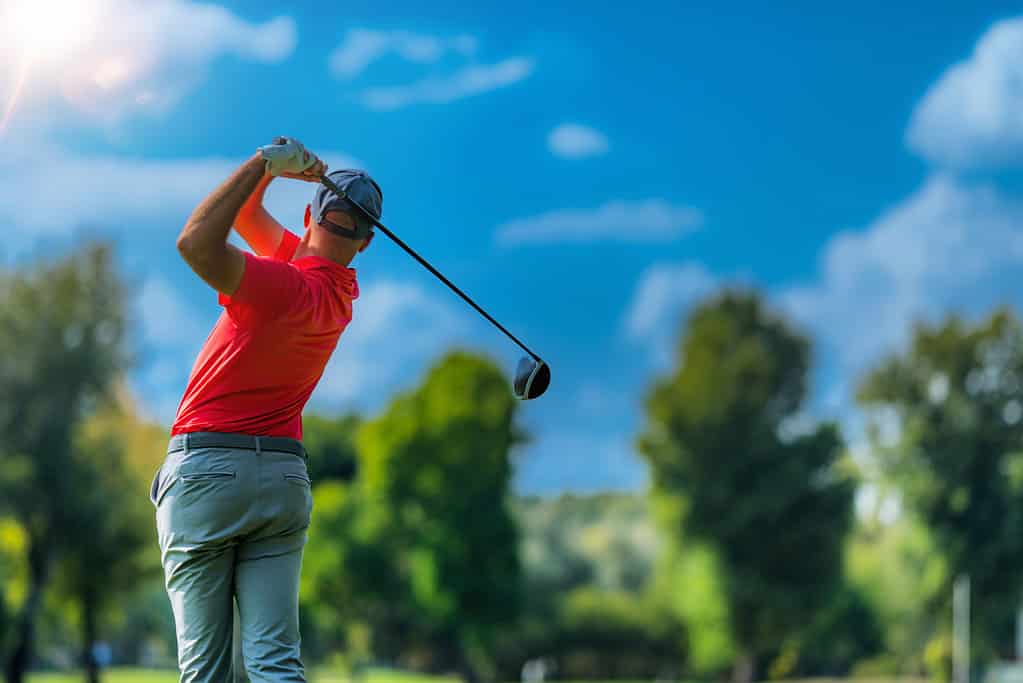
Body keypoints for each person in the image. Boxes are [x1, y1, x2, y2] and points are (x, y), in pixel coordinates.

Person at [148, 137, 383, 682]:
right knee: (276, 665)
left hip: (207, 475)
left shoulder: (283, 285)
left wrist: (265, 163)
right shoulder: (337, 291)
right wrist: (271, 176)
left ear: (309, 216)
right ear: (367, 243)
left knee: (204, 672)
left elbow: (195, 243)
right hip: (281, 482)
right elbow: (250, 215)